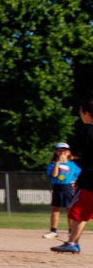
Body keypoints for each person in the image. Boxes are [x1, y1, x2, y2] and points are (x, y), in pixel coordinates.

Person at [52, 98, 93, 254]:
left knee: (78, 210)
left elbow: (76, 152)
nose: (80, 115)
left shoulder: (85, 130)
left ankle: (72, 243)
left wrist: (69, 158)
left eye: (81, 112)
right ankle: (73, 242)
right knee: (84, 212)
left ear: (87, 113)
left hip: (90, 177)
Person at [46, 141, 80, 240]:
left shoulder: (73, 164)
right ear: (56, 152)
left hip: (69, 188)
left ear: (69, 153)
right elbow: (54, 175)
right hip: (57, 187)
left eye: (65, 151)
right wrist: (57, 162)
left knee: (69, 209)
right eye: (60, 151)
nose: (62, 153)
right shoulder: (53, 164)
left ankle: (71, 231)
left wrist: (77, 181)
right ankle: (53, 231)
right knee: (55, 209)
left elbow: (79, 175)